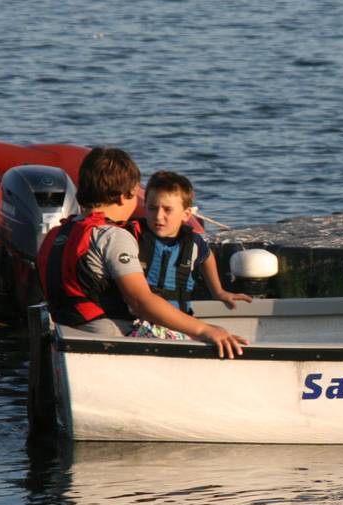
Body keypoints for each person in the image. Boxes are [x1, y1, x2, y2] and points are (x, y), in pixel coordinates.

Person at [37, 147, 247, 358]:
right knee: (218, 337)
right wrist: (205, 330)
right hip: (109, 338)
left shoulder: (56, 233)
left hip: (68, 333)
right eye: (135, 194)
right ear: (123, 197)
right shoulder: (113, 236)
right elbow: (141, 302)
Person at [128, 170, 252, 314]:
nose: (158, 216)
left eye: (167, 210)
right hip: (138, 320)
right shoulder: (133, 236)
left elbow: (207, 257)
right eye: (152, 208)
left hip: (179, 320)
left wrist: (217, 291)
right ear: (144, 207)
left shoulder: (193, 243)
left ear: (186, 214)